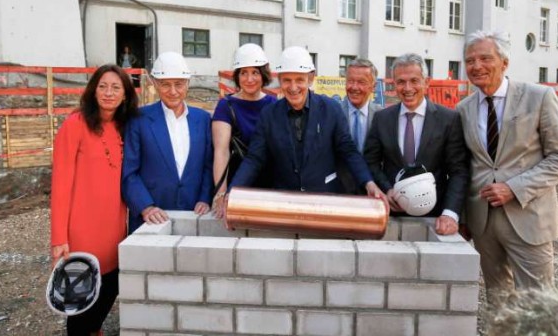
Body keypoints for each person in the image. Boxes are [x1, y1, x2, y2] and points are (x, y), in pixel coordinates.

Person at [457, 30, 558, 303]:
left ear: (504, 62)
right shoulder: (463, 108)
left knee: (538, 302)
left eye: (485, 58)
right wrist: (463, 217)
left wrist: (514, 188)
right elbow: (465, 166)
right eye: (470, 60)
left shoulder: (539, 97)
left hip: (528, 215)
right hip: (483, 221)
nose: (476, 66)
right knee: (498, 298)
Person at [230, 46, 387, 202]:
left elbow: (348, 151)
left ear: (310, 79)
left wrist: (369, 183)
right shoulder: (269, 114)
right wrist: (232, 191)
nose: (293, 88)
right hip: (284, 201)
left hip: (324, 200)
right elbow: (254, 159)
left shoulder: (331, 110)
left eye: (299, 80)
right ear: (279, 80)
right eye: (287, 80)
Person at [51, 64, 139, 335]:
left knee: (109, 288)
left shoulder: (126, 127)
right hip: (81, 232)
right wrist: (58, 238)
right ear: (93, 90)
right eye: (103, 86)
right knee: (79, 301)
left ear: (125, 94)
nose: (108, 93)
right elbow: (60, 184)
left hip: (113, 228)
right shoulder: (75, 124)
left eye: (116, 88)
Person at [363, 53, 469, 235]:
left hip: (435, 217)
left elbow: (459, 171)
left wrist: (450, 213)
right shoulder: (382, 119)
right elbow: (371, 162)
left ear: (426, 83)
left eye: (414, 81)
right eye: (401, 82)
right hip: (391, 214)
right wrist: (387, 190)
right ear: (394, 84)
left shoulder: (448, 120)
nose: (408, 88)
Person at [122, 52, 213, 232]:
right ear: (155, 83)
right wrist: (145, 206)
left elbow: (208, 165)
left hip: (193, 215)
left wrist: (205, 198)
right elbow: (129, 172)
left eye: (178, 84)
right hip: (151, 219)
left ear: (188, 83)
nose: (173, 91)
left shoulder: (203, 120)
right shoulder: (139, 120)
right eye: (165, 84)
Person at [211, 43, 276, 216]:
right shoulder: (226, 106)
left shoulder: (274, 104)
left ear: (263, 75)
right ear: (237, 76)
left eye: (254, 72)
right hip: (237, 184)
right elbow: (221, 151)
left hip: (269, 184)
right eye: (243, 72)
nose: (249, 79)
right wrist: (221, 193)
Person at [337, 58, 382, 194]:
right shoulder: (333, 113)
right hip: (339, 192)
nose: (354, 87)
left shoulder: (383, 116)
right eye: (350, 81)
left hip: (374, 193)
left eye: (361, 82)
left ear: (373, 86)